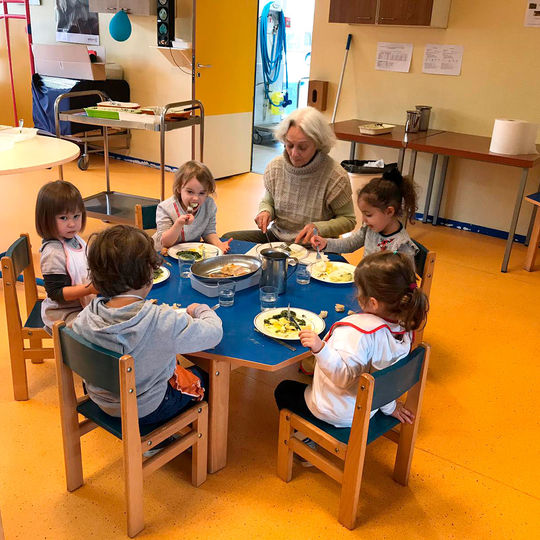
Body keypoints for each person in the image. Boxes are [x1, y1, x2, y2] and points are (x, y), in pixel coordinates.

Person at [72, 225, 223, 429]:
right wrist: (200, 310)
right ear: (149, 276)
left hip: (101, 401)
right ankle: (162, 440)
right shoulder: (161, 321)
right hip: (147, 409)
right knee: (207, 377)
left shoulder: (85, 316)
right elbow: (214, 333)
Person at [275, 251, 429, 433]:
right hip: (370, 406)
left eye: (359, 289)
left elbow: (343, 377)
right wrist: (390, 407)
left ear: (373, 303)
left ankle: (306, 437)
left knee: (283, 390)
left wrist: (320, 348)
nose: (356, 294)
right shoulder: (405, 329)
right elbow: (387, 378)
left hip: (339, 412)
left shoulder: (356, 333)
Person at [223, 107, 356, 245]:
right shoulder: (275, 167)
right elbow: (268, 202)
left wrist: (319, 228)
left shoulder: (335, 176)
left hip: (314, 244)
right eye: (289, 145)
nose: (294, 153)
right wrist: (265, 212)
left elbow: (348, 219)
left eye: (302, 147)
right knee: (228, 241)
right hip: (278, 238)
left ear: (318, 143)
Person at [311, 167, 419, 259]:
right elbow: (350, 244)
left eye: (368, 215)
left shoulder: (402, 246)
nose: (363, 220)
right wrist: (325, 243)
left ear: (389, 211)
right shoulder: (370, 229)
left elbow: (405, 281)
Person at [36, 180, 97, 331]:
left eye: (76, 216)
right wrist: (89, 289)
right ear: (46, 219)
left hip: (83, 303)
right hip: (63, 313)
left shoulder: (75, 239)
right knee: (100, 331)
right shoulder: (53, 253)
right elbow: (56, 293)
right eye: (64, 218)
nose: (72, 224)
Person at [153, 160, 231, 253]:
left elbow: (209, 232)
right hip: (162, 255)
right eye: (190, 192)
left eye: (202, 193)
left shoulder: (208, 205)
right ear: (179, 188)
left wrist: (218, 244)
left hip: (189, 253)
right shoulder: (165, 208)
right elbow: (165, 243)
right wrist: (178, 224)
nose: (195, 198)